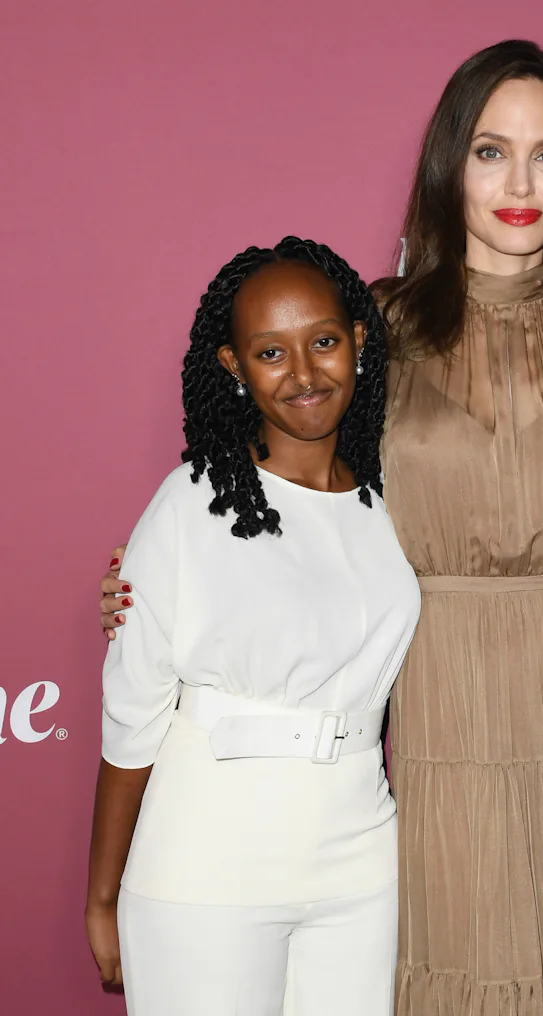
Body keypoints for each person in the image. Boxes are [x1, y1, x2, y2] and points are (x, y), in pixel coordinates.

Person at [99, 40, 543, 1016]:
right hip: (449, 703)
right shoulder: (377, 330)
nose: (521, 182)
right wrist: (156, 583)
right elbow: (284, 490)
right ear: (451, 168)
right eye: (492, 151)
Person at [86, 237, 421, 1016]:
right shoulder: (189, 504)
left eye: (325, 342)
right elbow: (132, 715)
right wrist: (102, 896)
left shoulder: (395, 499)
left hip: (365, 862)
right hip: (206, 862)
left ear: (359, 342)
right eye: (271, 352)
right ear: (233, 366)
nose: (304, 375)